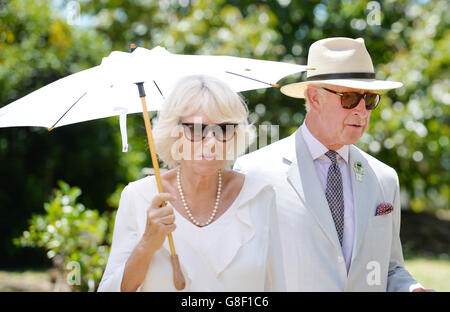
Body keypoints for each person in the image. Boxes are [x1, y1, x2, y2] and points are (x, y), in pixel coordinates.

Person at [234, 37, 433, 292]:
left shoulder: (385, 178)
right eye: (350, 98)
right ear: (314, 98)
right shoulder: (253, 173)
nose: (362, 110)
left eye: (370, 99)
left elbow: (389, 269)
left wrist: (411, 289)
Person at [98, 75, 285, 292]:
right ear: (174, 133)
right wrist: (146, 245)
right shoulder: (139, 197)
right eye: (197, 129)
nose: (211, 142)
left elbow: (276, 286)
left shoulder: (259, 196)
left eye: (223, 129)